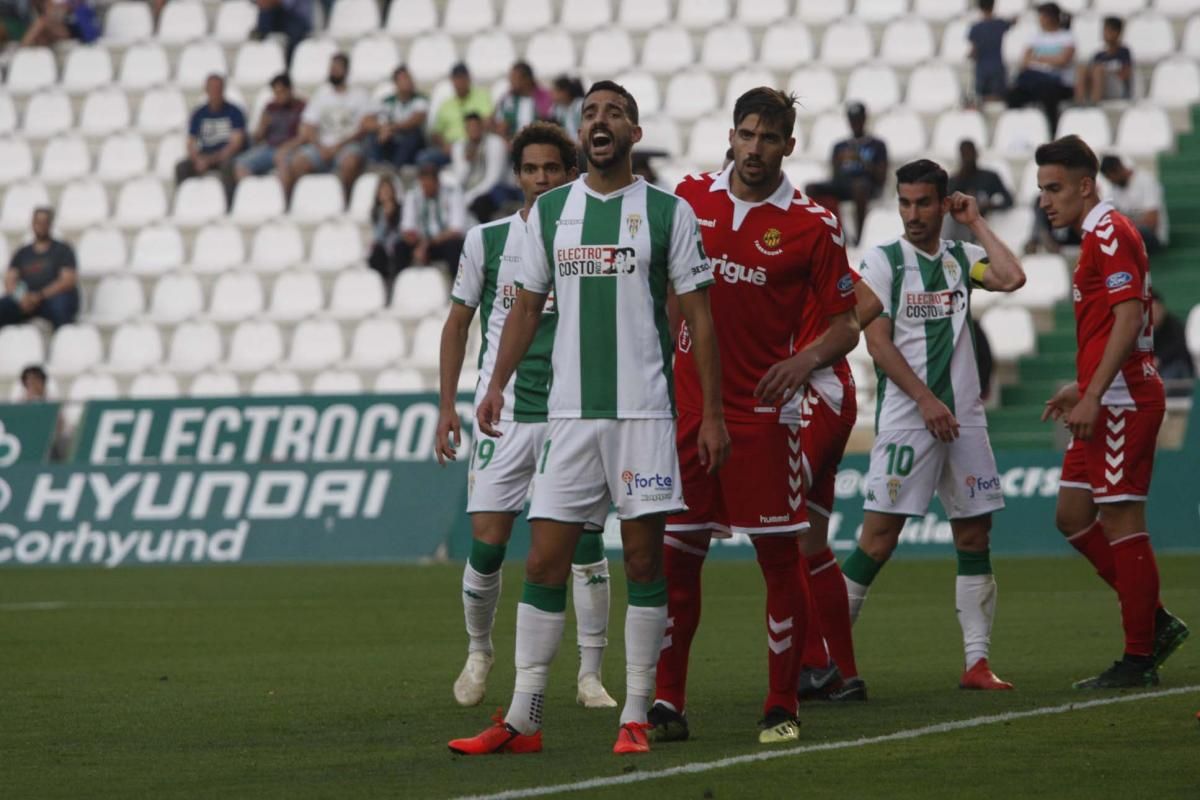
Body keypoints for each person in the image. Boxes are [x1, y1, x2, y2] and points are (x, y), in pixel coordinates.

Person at [449, 80, 729, 757]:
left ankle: (634, 714)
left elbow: (698, 314)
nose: (599, 122)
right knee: (544, 563)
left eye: (614, 113)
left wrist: (712, 414)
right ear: (582, 135)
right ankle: (522, 719)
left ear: (633, 131)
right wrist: (497, 385)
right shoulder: (548, 214)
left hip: (643, 417)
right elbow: (521, 308)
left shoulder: (668, 212)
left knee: (641, 561)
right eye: (590, 114)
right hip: (567, 419)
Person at [649, 88, 860, 745]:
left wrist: (805, 363)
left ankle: (781, 702)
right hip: (690, 413)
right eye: (746, 135)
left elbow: (847, 325)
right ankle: (667, 701)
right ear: (731, 135)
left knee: (780, 559)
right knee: (677, 559)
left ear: (789, 146)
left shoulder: (812, 223)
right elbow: (667, 288)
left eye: (769, 139)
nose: (755, 149)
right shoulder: (689, 197)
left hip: (764, 418)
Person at [436, 121, 617, 713]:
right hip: (507, 415)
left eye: (553, 169)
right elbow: (459, 323)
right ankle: (479, 650)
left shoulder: (586, 239)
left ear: (570, 174)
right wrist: (447, 406)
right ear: (516, 176)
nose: (541, 179)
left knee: (586, 543)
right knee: (487, 544)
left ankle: (590, 673)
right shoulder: (486, 241)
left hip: (572, 414)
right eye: (531, 169)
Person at [844, 159, 1027, 693]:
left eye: (925, 202)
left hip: (964, 421)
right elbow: (875, 341)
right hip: (908, 421)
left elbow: (1013, 277)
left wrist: (974, 222)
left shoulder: (960, 259)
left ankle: (976, 663)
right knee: (877, 541)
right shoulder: (881, 262)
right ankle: (822, 655)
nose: (913, 213)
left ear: (943, 203)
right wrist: (925, 400)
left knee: (974, 533)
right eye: (905, 202)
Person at [1037, 135, 1188, 688]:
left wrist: (1097, 393)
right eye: (1040, 191)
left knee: (1122, 521)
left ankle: (1139, 657)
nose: (1045, 201)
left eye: (1054, 189)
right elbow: (1109, 327)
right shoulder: (1096, 236)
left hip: (1123, 401)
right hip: (1104, 396)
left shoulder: (1111, 233)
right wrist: (1083, 388)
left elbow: (1129, 319)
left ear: (1085, 185)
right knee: (1073, 517)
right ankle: (1152, 621)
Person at [279, 53, 370, 202]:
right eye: (331, 67)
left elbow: (363, 128)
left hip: (347, 145)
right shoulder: (321, 95)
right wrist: (319, 147)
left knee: (350, 162)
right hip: (321, 146)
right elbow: (308, 126)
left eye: (337, 68)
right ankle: (298, 204)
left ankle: (344, 202)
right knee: (297, 162)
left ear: (346, 71)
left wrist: (338, 146)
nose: (333, 71)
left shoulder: (359, 95)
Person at [805, 101, 888, 245]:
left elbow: (881, 177)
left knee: (860, 186)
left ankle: (860, 237)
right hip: (844, 184)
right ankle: (830, 231)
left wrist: (861, 161)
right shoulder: (840, 146)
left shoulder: (877, 144)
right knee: (811, 187)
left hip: (867, 185)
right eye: (852, 119)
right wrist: (839, 162)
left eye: (858, 119)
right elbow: (835, 176)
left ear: (864, 119)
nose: (855, 123)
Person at [0, 208, 79, 330]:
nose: (41, 226)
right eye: (38, 222)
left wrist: (39, 296)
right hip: (25, 300)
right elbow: (10, 280)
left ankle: (64, 343)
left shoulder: (63, 250)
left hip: (51, 298)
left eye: (45, 222)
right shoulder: (22, 252)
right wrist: (22, 297)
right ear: (32, 224)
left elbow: (67, 280)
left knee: (62, 305)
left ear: (50, 224)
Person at [176, 74, 247, 203]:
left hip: (223, 157)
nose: (215, 92)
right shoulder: (199, 114)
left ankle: (230, 204)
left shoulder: (235, 112)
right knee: (182, 167)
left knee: (228, 166)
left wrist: (210, 160)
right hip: (204, 155)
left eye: (218, 89)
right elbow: (191, 142)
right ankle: (184, 202)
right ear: (206, 90)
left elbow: (236, 144)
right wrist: (197, 158)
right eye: (212, 89)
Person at [1006, 3, 1076, 132]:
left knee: (1047, 93)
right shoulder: (1035, 37)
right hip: (1035, 82)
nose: (1040, 20)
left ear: (1051, 17)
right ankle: (1017, 130)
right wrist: (1050, 59)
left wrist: (1038, 58)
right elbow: (1025, 60)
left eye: (1042, 16)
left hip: (1058, 83)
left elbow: (1063, 60)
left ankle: (1052, 130)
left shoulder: (1066, 37)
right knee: (1013, 95)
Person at [397, 159, 467, 276]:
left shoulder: (453, 193)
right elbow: (407, 228)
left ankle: (456, 286)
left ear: (437, 182)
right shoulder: (413, 195)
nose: (425, 188)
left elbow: (456, 229)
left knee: (454, 246)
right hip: (421, 241)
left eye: (428, 184)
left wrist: (427, 244)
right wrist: (419, 245)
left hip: (443, 241)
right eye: (423, 184)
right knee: (400, 247)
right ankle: (399, 283)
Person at [234, 74, 305, 182]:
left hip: (291, 149)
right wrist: (263, 126)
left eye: (281, 92)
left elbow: (303, 136)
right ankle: (251, 195)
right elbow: (258, 137)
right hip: (270, 148)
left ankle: (283, 198)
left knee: (282, 161)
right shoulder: (270, 108)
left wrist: (285, 148)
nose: (278, 96)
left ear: (289, 90)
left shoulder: (301, 107)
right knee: (241, 164)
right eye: (275, 93)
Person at [452, 113, 520, 224]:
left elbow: (493, 179)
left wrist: (469, 197)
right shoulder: (459, 146)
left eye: (476, 126)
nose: (473, 130)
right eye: (470, 127)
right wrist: (468, 163)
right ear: (465, 129)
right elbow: (460, 178)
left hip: (496, 190)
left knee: (481, 203)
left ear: (482, 127)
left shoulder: (495, 143)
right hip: (469, 190)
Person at [943, 139, 1014, 243]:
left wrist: (989, 205)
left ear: (976, 154)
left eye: (970, 153)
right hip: (961, 223)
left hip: (986, 221)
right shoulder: (954, 180)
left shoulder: (990, 177)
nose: (968, 158)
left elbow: (1009, 200)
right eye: (964, 154)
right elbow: (946, 206)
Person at [1099, 155, 1168, 253]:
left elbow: (1152, 223)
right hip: (1130, 235)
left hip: (1153, 238)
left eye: (1111, 178)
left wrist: (1122, 226)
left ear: (1118, 169)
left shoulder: (1145, 181)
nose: (1111, 182)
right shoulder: (1115, 188)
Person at [365, 66, 428, 169]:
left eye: (409, 78)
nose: (408, 82)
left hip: (412, 146)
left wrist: (391, 128)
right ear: (395, 83)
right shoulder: (388, 101)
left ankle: (395, 169)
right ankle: (376, 166)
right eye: (403, 79)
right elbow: (367, 120)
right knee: (372, 135)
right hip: (392, 140)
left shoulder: (420, 99)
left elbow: (415, 120)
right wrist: (381, 129)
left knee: (413, 134)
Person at [431, 63, 493, 153]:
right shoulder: (445, 104)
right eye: (456, 79)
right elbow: (436, 133)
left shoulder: (482, 96)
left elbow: (488, 121)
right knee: (425, 159)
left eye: (462, 78)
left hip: (476, 144)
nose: (460, 83)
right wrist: (445, 145)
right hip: (450, 147)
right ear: (452, 81)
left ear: (469, 79)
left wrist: (474, 139)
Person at [1075, 16, 1133, 105]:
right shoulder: (1098, 55)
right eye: (1105, 30)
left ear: (1118, 33)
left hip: (1116, 87)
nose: (1106, 34)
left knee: (1098, 70)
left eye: (1110, 31)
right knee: (1082, 69)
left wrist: (1107, 73)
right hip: (1100, 85)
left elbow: (1126, 74)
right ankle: (1079, 102)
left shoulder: (1123, 52)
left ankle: (1095, 102)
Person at [493, 61, 553, 140]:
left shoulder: (544, 97)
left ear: (527, 79)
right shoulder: (507, 98)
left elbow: (548, 120)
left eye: (514, 77)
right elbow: (499, 124)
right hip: (511, 142)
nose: (510, 81)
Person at [366, 176, 404, 302]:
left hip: (396, 247)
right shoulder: (376, 212)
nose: (385, 194)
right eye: (383, 191)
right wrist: (385, 218)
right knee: (376, 253)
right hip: (383, 250)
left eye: (388, 191)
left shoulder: (401, 210)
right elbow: (378, 237)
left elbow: (401, 233)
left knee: (400, 249)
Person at [968, 0, 1012, 103]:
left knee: (982, 97)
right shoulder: (1001, 24)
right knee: (998, 99)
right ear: (993, 6)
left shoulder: (976, 28)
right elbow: (1011, 23)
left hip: (982, 67)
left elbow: (973, 51)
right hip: (997, 65)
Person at [1150, 291, 1194, 382]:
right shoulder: (1140, 329)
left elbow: (1180, 348)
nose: (1154, 315)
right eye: (1151, 312)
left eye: (1156, 311)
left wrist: (1160, 359)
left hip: (1172, 365)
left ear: (1162, 309)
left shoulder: (1174, 325)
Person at [251, 0, 312, 67]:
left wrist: (270, 2)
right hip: (277, 15)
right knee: (266, 11)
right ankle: (260, 38)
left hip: (297, 18)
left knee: (294, 34)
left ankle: (289, 66)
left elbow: (289, 4)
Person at [551, 76, 585, 141]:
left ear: (565, 92)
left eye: (555, 91)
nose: (553, 95)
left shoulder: (580, 105)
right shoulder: (557, 109)